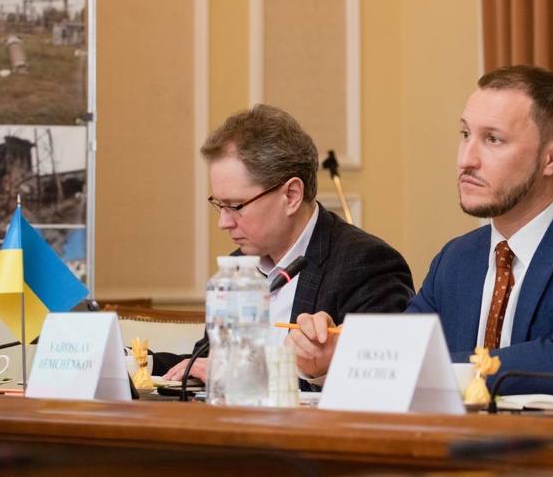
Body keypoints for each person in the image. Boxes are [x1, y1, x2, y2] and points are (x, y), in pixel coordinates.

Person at [287, 65, 553, 396]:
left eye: (493, 139)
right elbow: (398, 350)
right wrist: (333, 356)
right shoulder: (457, 258)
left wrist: (415, 366)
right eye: (465, 134)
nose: (466, 159)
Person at [154, 104, 415, 387]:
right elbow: (207, 362)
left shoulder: (367, 265)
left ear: (291, 195)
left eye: (235, 206)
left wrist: (251, 376)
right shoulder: (239, 268)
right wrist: (141, 362)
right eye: (219, 205)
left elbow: (379, 386)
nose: (223, 222)